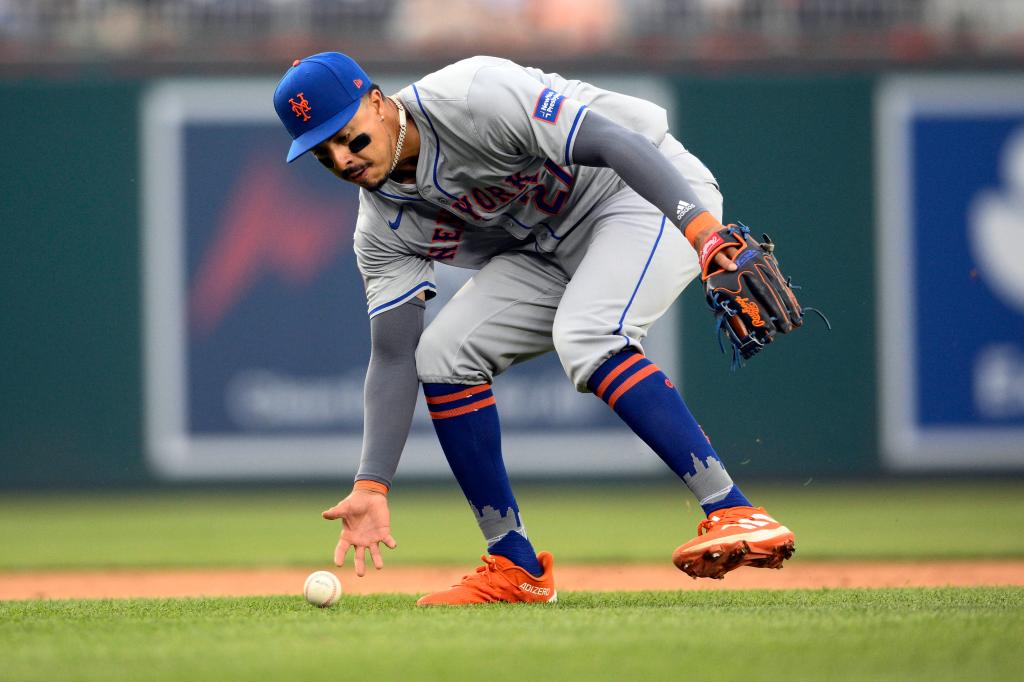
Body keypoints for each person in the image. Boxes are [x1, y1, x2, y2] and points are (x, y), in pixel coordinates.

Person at [273, 52, 796, 606]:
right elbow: (395, 355)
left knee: (589, 336)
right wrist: (371, 483)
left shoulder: (472, 97)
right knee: (444, 357)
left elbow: (616, 143)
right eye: (321, 152)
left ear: (377, 103)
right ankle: (513, 564)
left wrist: (702, 231)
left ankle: (735, 510)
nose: (342, 157)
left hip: (637, 195)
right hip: (546, 246)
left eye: (348, 137)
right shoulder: (380, 230)